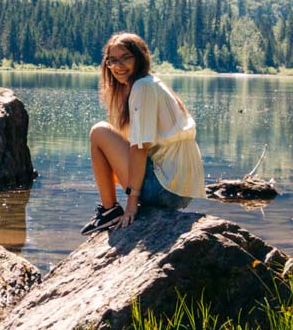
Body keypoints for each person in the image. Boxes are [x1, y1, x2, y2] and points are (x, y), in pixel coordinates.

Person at [85, 32, 205, 233]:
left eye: (125, 58)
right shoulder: (151, 83)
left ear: (140, 58)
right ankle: (111, 210)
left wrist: (132, 204)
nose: (118, 66)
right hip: (179, 191)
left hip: (165, 190)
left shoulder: (143, 87)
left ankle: (109, 210)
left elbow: (139, 148)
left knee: (99, 132)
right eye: (112, 61)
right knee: (112, 136)